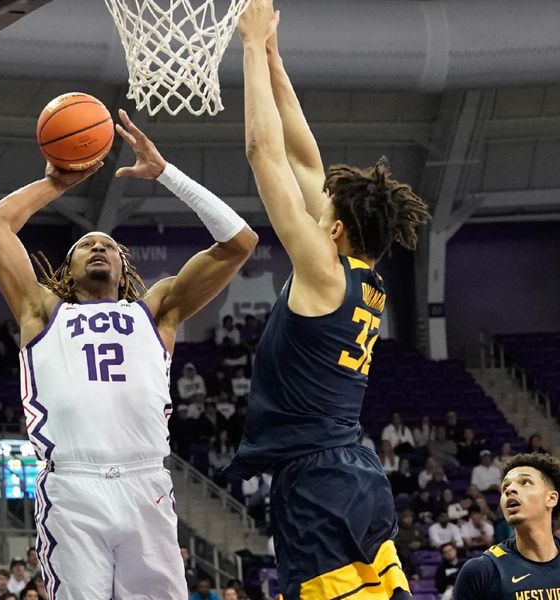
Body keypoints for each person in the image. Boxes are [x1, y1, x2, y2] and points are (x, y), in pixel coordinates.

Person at [0, 100, 257, 598]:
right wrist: (57, 184)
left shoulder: (156, 312)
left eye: (108, 244)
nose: (98, 248)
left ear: (124, 264)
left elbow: (240, 242)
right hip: (72, 484)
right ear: (68, 269)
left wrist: (167, 173)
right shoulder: (41, 312)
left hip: (146, 481)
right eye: (86, 244)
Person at [230, 3, 430, 597]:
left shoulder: (323, 273)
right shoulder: (363, 277)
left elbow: (264, 154)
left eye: (325, 212)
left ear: (335, 231)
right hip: (353, 472)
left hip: (319, 482)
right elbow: (304, 158)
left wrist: (246, 47)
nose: (317, 210)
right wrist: (271, 54)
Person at [454, 453, 560, 598]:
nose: (509, 490)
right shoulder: (481, 571)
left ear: (551, 498)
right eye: (505, 488)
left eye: (525, 482)